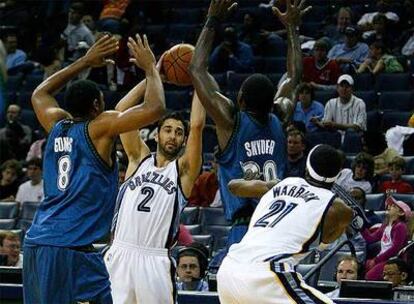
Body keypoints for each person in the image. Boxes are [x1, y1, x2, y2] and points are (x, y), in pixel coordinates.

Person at [23, 34, 166, 303]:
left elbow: (40, 93)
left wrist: (84, 61)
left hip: (39, 242)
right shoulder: (99, 128)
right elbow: (155, 108)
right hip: (68, 249)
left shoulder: (55, 125)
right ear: (97, 106)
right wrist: (149, 68)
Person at [189, 0, 288, 249]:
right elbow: (294, 77)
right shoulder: (280, 116)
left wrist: (212, 20)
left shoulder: (231, 122)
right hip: (278, 225)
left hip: (246, 228)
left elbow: (196, 69)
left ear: (241, 100)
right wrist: (293, 30)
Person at [104, 82, 205, 302]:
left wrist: (199, 79)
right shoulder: (138, 158)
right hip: (119, 253)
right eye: (167, 130)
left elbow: (197, 125)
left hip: (155, 259)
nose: (173, 136)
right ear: (156, 135)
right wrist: (152, 75)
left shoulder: (183, 171)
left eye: (179, 133)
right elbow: (121, 110)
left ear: (184, 140)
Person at [217, 144, 353, 304]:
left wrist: (258, 180)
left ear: (307, 167)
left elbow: (234, 186)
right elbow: (326, 241)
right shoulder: (338, 208)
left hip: (229, 270)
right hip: (267, 274)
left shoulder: (279, 184)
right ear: (337, 174)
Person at [362, 196, 411, 281]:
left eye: (393, 206)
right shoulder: (385, 226)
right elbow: (370, 239)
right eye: (389, 205)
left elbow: (395, 248)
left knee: (370, 277)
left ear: (401, 213)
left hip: (393, 261)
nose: (389, 206)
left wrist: (376, 260)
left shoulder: (400, 226)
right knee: (364, 272)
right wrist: (361, 227)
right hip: (384, 259)